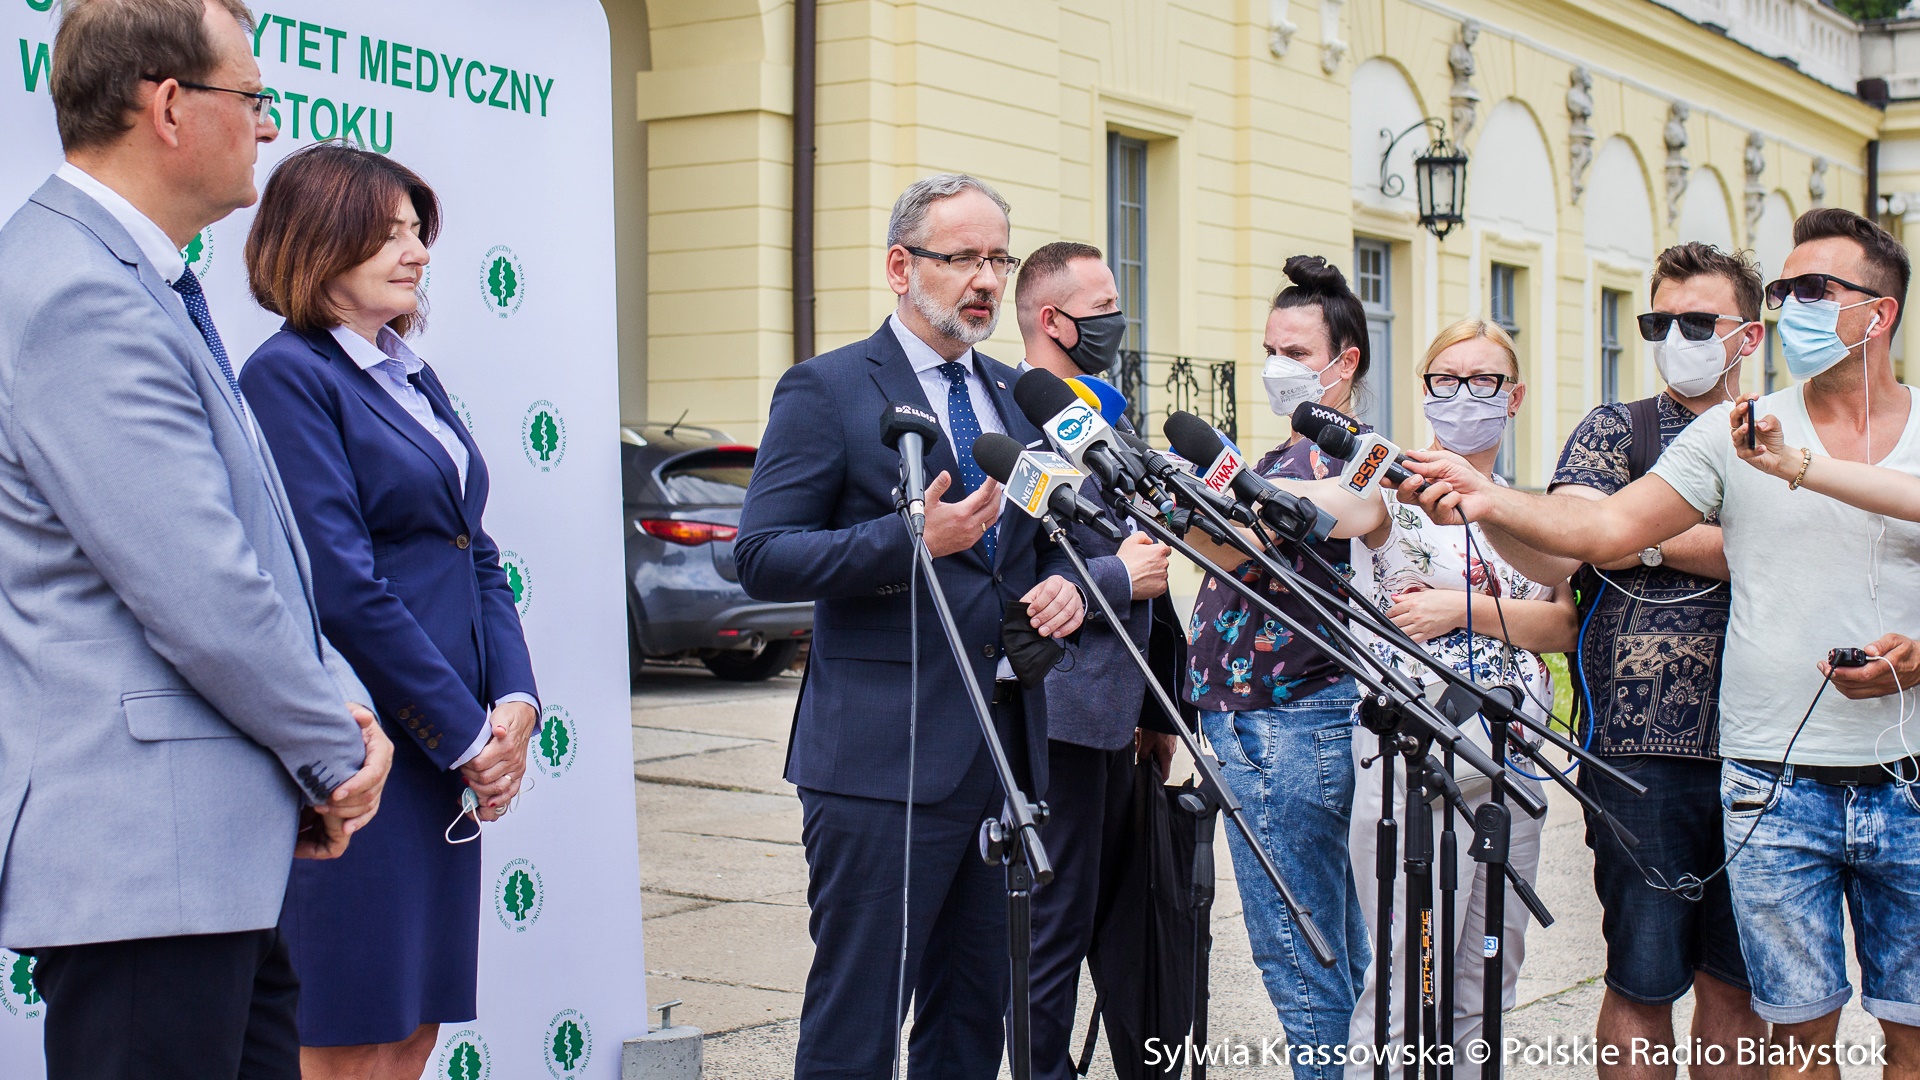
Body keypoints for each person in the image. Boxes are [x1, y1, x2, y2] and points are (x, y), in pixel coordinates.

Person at [1397, 207, 1920, 1080]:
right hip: (1721, 766)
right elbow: (1591, 532)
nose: (1793, 305)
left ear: (1880, 312)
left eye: (1811, 290)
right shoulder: (1694, 432)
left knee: (1831, 1018)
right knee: (1737, 1018)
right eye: (1785, 288)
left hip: (1885, 768)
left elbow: (1689, 542)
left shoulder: (1769, 436)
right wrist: (1489, 498)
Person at [0, 2, 394, 1076]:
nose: (269, 126)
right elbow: (201, 588)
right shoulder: (79, 290)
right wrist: (333, 751)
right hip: (146, 867)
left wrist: (332, 713)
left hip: (201, 861)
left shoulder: (132, 278)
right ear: (169, 106)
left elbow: (250, 550)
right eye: (253, 97)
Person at [735, 174, 1088, 1080]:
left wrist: (1069, 589)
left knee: (971, 1024)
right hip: (879, 765)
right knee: (858, 1026)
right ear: (901, 266)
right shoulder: (827, 389)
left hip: (1001, 758)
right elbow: (763, 556)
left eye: (998, 259)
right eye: (963, 257)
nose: (986, 279)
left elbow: (1054, 544)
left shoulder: (1020, 396)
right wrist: (912, 541)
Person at [237, 142, 540, 1080]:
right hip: (364, 749)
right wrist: (465, 737)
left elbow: (471, 545)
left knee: (414, 1026)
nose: (417, 252)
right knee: (348, 1032)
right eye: (389, 234)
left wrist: (517, 704)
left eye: (417, 232)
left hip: (444, 756)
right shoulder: (288, 376)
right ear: (318, 241)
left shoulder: (407, 373)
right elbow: (338, 584)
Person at [1481, 242, 1766, 1080]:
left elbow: (1768, 552)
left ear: (1748, 335)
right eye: (1658, 321)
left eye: (1697, 322)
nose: (1675, 338)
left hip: (1768, 745)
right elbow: (1566, 541)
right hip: (1639, 757)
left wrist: (1633, 535)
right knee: (1640, 982)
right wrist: (1676, 540)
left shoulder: (1779, 431)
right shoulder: (1618, 428)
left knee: (1739, 990)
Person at [1344, 318, 1572, 1073]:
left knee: (1488, 977)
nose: (1464, 394)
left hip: (1515, 760)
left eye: (1484, 380)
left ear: (1515, 396)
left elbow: (1562, 623)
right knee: (1405, 979)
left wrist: (1458, 609)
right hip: (1414, 762)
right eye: (1446, 379)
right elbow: (1335, 507)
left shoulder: (1523, 509)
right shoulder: (1392, 490)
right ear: (1424, 389)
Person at [1182, 255, 1389, 1080]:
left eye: (1296, 353)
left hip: (1289, 723)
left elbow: (1234, 538)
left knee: (1300, 954)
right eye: (1270, 349)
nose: (1277, 367)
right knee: (1331, 945)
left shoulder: (1360, 459)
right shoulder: (1275, 457)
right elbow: (1210, 537)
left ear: (1345, 362)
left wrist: (1207, 510)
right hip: (1263, 722)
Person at [1012, 240, 1178, 1080]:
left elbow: (1154, 567)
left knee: (1111, 927)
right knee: (1053, 929)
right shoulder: (1018, 423)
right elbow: (1031, 574)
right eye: (1102, 307)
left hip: (1119, 720)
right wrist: (1121, 575)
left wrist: (1159, 711)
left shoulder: (1101, 421)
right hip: (1060, 716)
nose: (1118, 319)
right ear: (1053, 319)